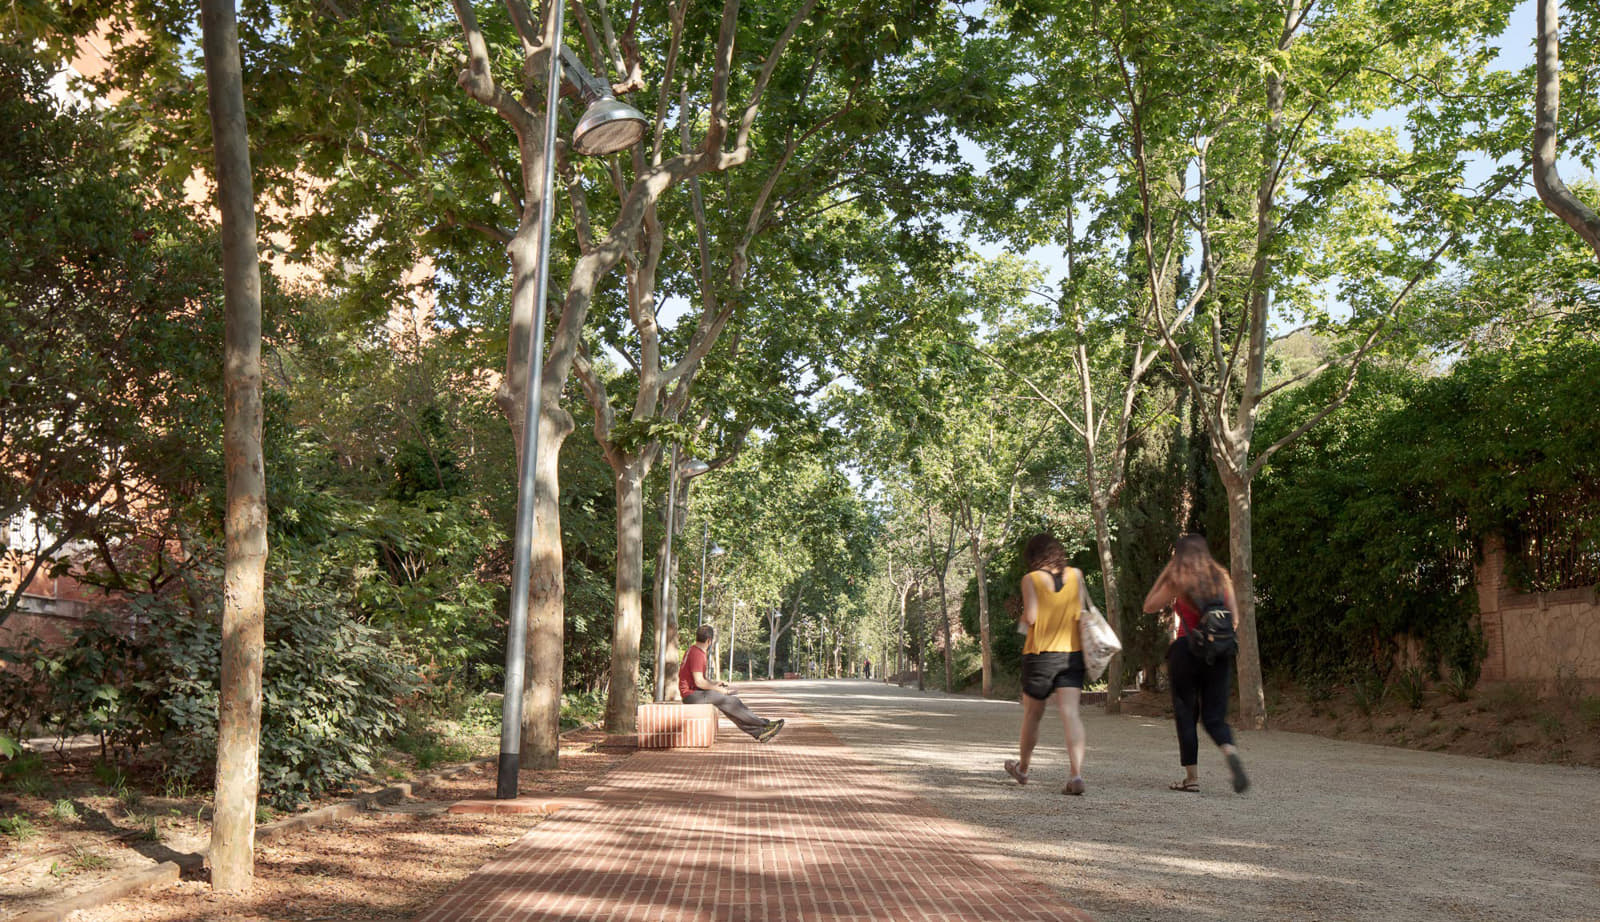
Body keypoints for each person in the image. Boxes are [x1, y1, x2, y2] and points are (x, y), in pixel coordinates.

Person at [1142, 534, 1250, 794]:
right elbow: (1234, 620)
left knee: (1186, 714)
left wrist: (1167, 571)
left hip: (1186, 650)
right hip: (1220, 653)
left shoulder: (1179, 578)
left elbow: (1149, 606)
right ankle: (1229, 750)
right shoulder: (1222, 578)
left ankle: (1192, 778)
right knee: (1214, 717)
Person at [1004, 532, 1089, 795]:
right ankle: (1076, 775)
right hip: (1072, 653)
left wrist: (1020, 621)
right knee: (1071, 714)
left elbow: (1031, 617)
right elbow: (1082, 610)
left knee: (1033, 714)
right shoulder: (1076, 575)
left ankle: (1024, 769)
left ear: (1033, 556)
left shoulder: (1031, 580)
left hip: (1040, 654)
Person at [680, 624, 784, 743]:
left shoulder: (693, 650)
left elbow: (698, 679)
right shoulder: (698, 654)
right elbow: (699, 682)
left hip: (694, 693)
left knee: (730, 705)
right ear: (709, 641)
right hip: (692, 695)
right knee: (730, 701)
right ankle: (766, 724)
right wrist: (718, 690)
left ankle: (759, 732)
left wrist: (715, 683)